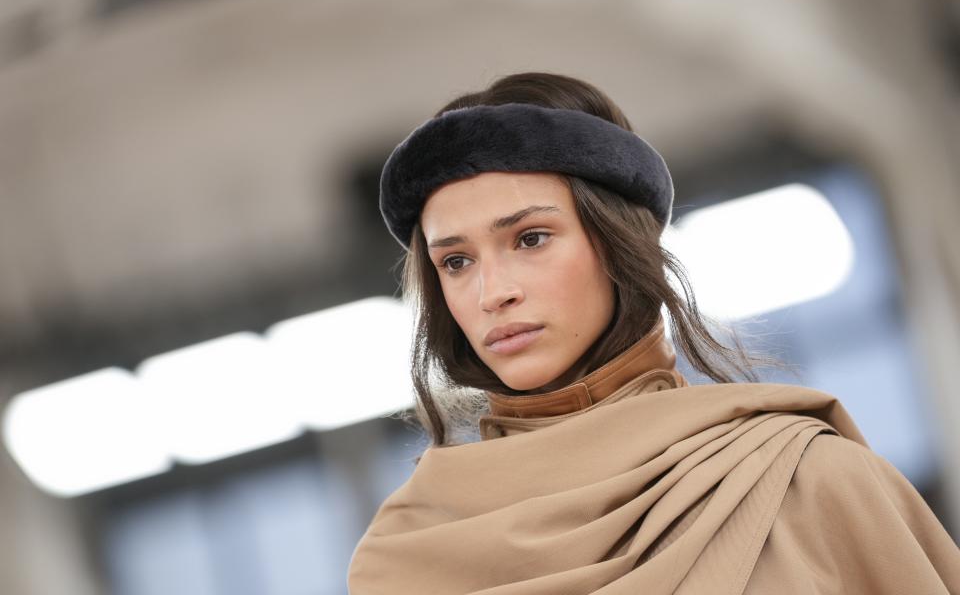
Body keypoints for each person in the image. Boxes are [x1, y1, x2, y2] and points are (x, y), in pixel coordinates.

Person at [347, 72, 960, 594]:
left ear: (618, 242)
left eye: (530, 239)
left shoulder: (807, 481)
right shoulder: (408, 559)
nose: (491, 293)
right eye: (456, 261)